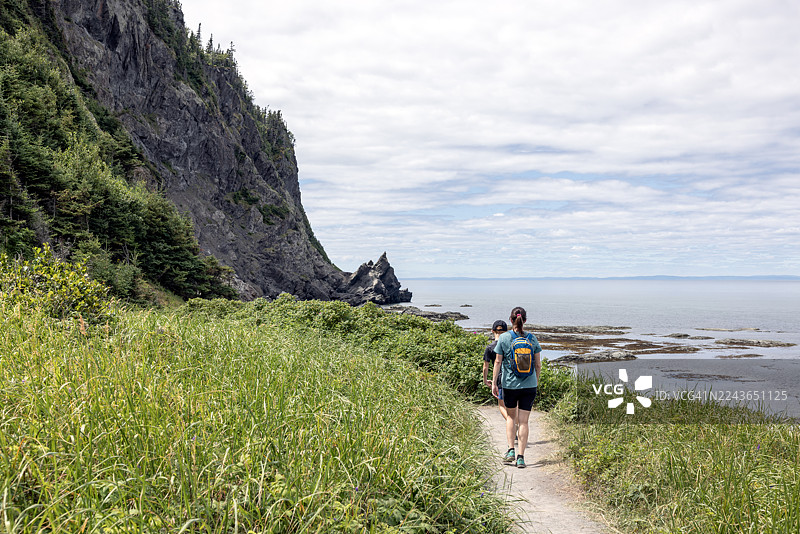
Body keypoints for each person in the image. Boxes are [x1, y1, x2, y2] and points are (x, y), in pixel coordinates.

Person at [491, 306, 542, 468]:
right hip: (529, 385)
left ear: (510, 320)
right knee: (524, 421)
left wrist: (493, 383)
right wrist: (535, 381)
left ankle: (511, 450)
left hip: (510, 385)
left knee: (511, 418)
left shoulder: (505, 338)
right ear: (524, 320)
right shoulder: (532, 338)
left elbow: (498, 362)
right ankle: (521, 458)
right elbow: (538, 364)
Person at [483, 320, 513, 424]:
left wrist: (485, 380)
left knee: (501, 405)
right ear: (506, 332)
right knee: (514, 406)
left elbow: (485, 367)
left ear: (492, 331)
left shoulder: (490, 348)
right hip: (513, 378)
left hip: (500, 379)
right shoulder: (511, 345)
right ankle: (515, 424)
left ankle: (512, 423)